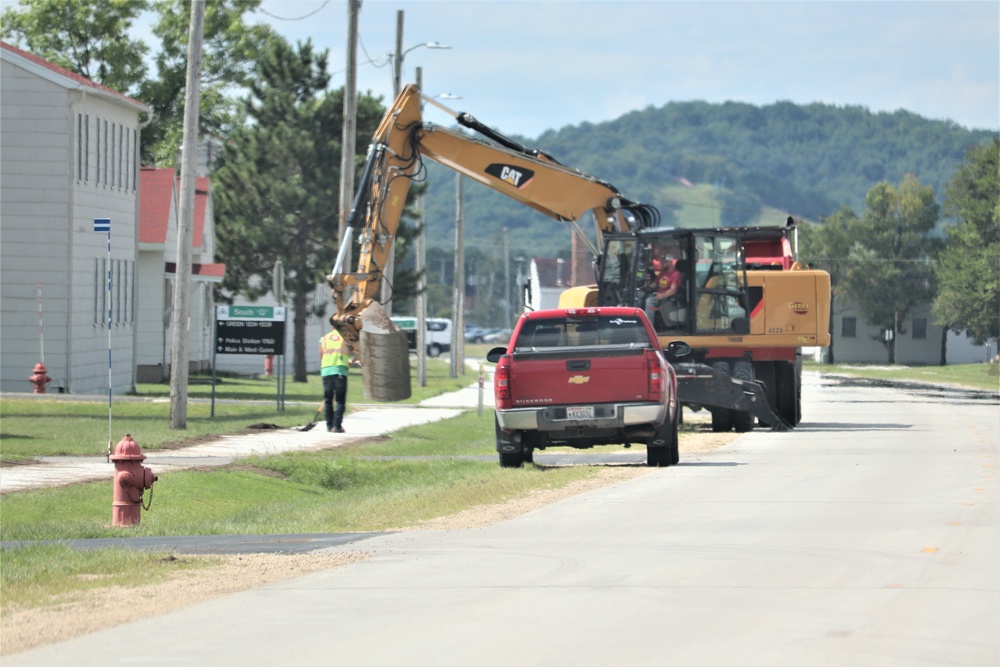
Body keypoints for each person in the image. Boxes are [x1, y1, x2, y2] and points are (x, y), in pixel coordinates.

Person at [319, 325, 351, 433]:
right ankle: (337, 426)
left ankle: (329, 426)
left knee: (328, 400)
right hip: (340, 370)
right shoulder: (346, 337)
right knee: (340, 400)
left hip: (326, 371)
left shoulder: (325, 338)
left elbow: (321, 354)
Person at [644, 255, 685, 329]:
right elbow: (654, 284)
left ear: (669, 262)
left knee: (650, 301)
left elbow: (673, 290)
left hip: (668, 297)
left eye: (663, 263)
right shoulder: (663, 273)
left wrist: (661, 295)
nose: (661, 265)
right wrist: (646, 288)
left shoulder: (676, 274)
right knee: (640, 296)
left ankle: (648, 326)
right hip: (658, 295)